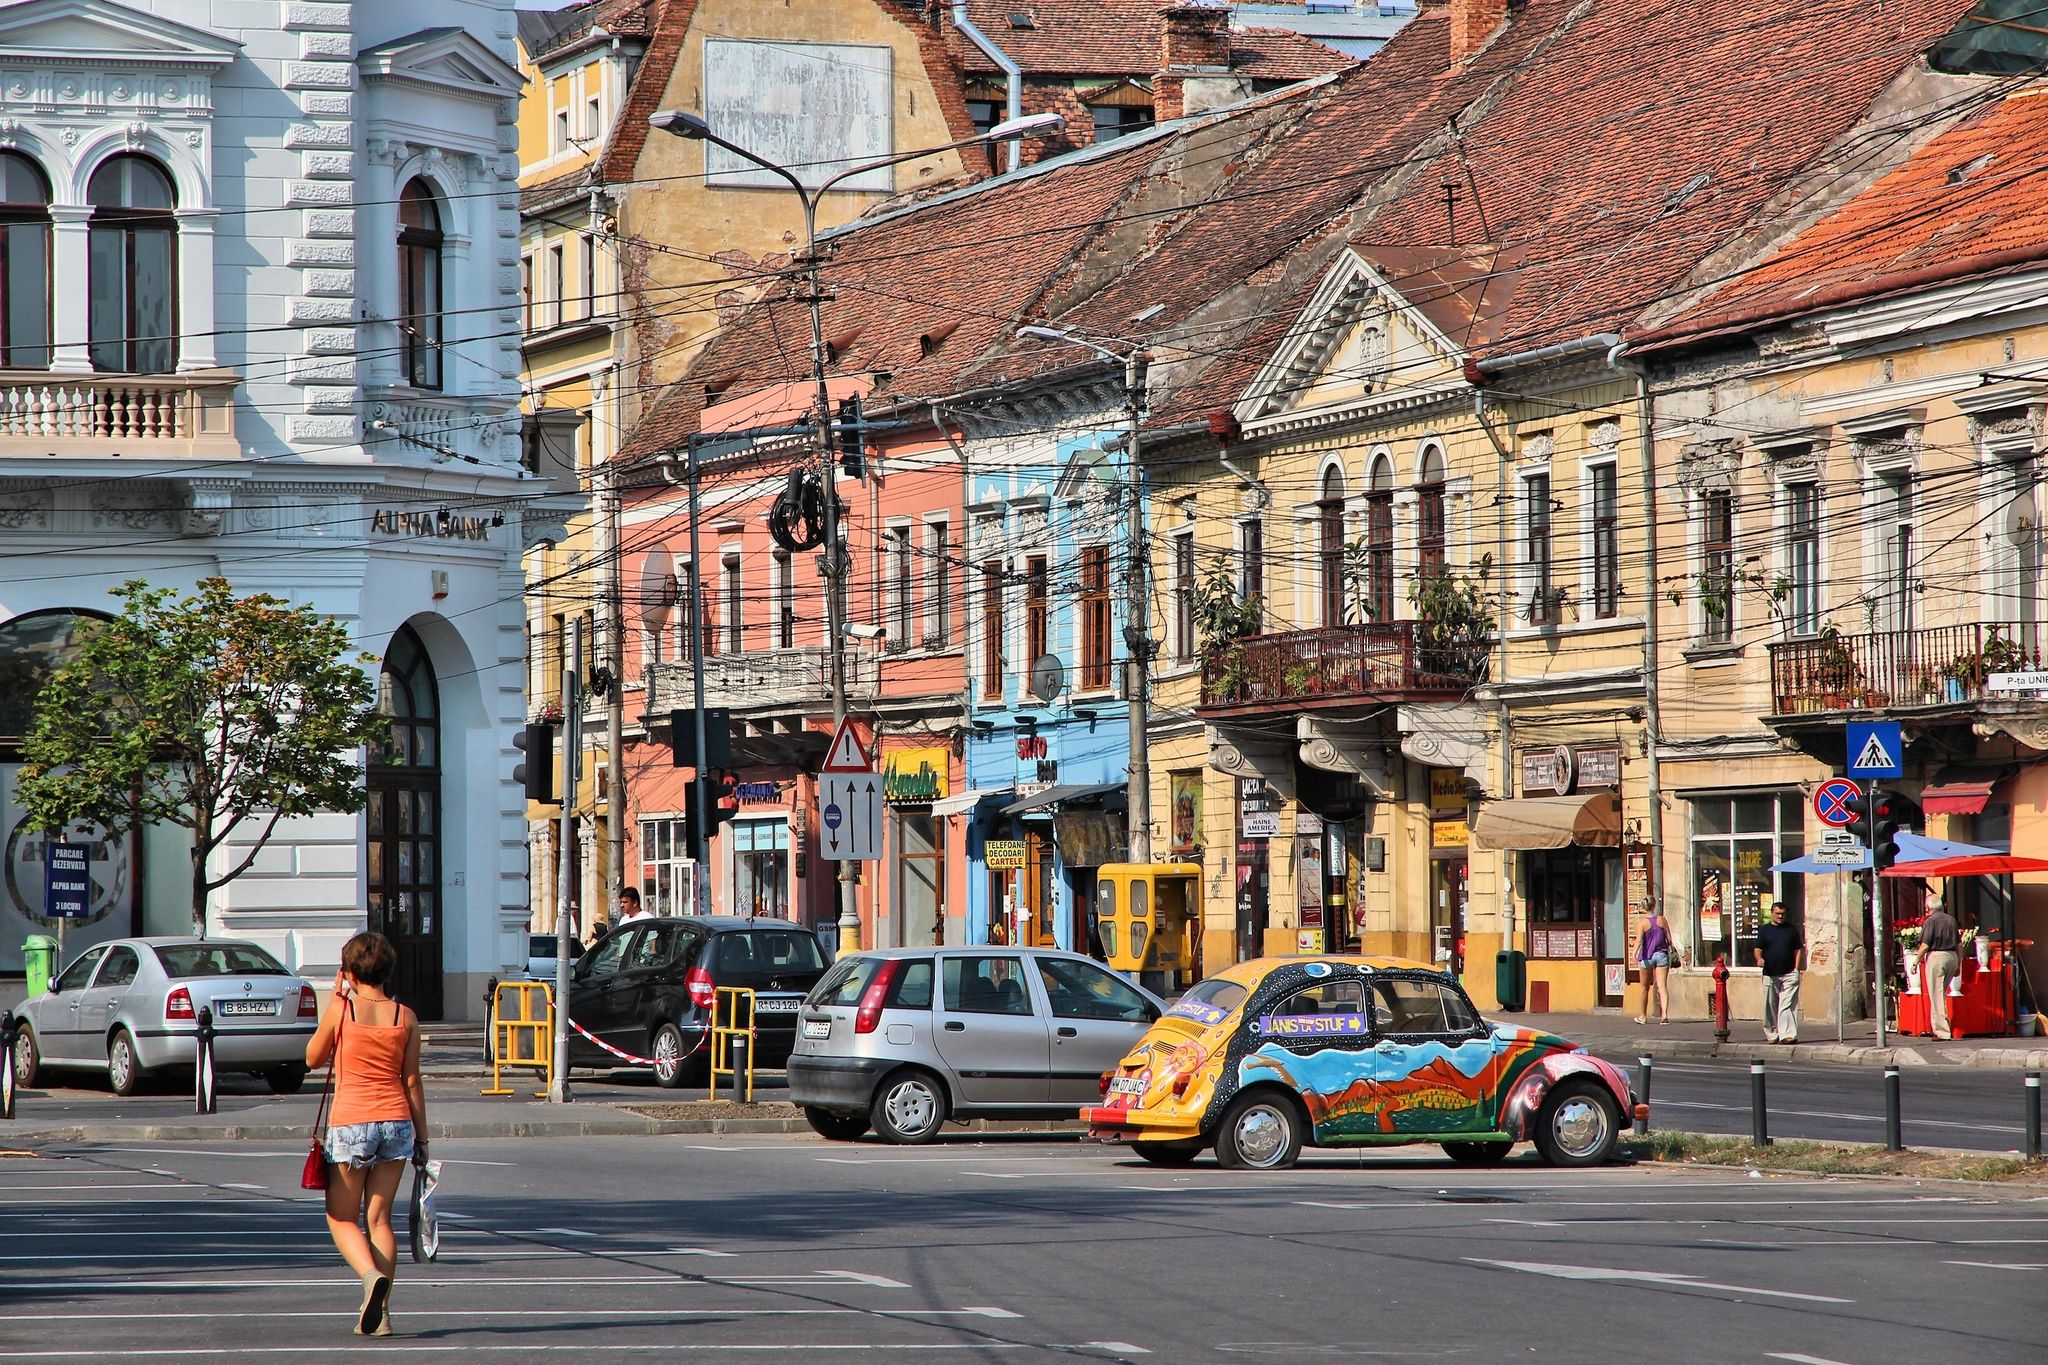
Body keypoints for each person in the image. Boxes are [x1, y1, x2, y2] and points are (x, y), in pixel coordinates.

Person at [306, 931, 428, 1337]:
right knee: (379, 1219)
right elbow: (411, 1081)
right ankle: (382, 1314)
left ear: (349, 971)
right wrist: (423, 1139)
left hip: (352, 1122)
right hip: (396, 1121)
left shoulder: (343, 1010)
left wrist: (334, 998)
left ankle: (369, 1275)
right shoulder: (404, 1016)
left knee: (341, 1216)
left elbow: (313, 1057)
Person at [1753, 899, 1805, 1044]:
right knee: (1769, 1005)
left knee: (1786, 1005)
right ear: (1771, 913)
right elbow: (1758, 949)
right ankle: (1772, 1034)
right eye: (1777, 914)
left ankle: (1787, 1035)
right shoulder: (1764, 930)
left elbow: (1798, 949)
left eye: (1783, 914)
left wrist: (1796, 968)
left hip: (1789, 973)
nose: (1780, 916)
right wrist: (1759, 959)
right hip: (1770, 973)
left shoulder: (1791, 930)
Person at [1919, 892, 1962, 1040]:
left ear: (1928, 907)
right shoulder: (1951, 920)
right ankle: (1936, 1027)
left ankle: (1942, 1031)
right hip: (1952, 956)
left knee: (1936, 994)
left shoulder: (1930, 921)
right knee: (1939, 992)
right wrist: (1959, 963)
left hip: (1937, 957)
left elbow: (1925, 945)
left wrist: (1916, 960)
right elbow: (1959, 944)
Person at [1634, 907, 1672, 1025]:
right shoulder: (1662, 920)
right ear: (1654, 906)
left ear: (1644, 908)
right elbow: (1669, 939)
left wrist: (1634, 953)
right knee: (1662, 987)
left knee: (1644, 987)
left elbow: (1639, 940)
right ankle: (1664, 1015)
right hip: (1662, 955)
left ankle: (1643, 1016)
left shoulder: (1642, 923)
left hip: (1647, 957)